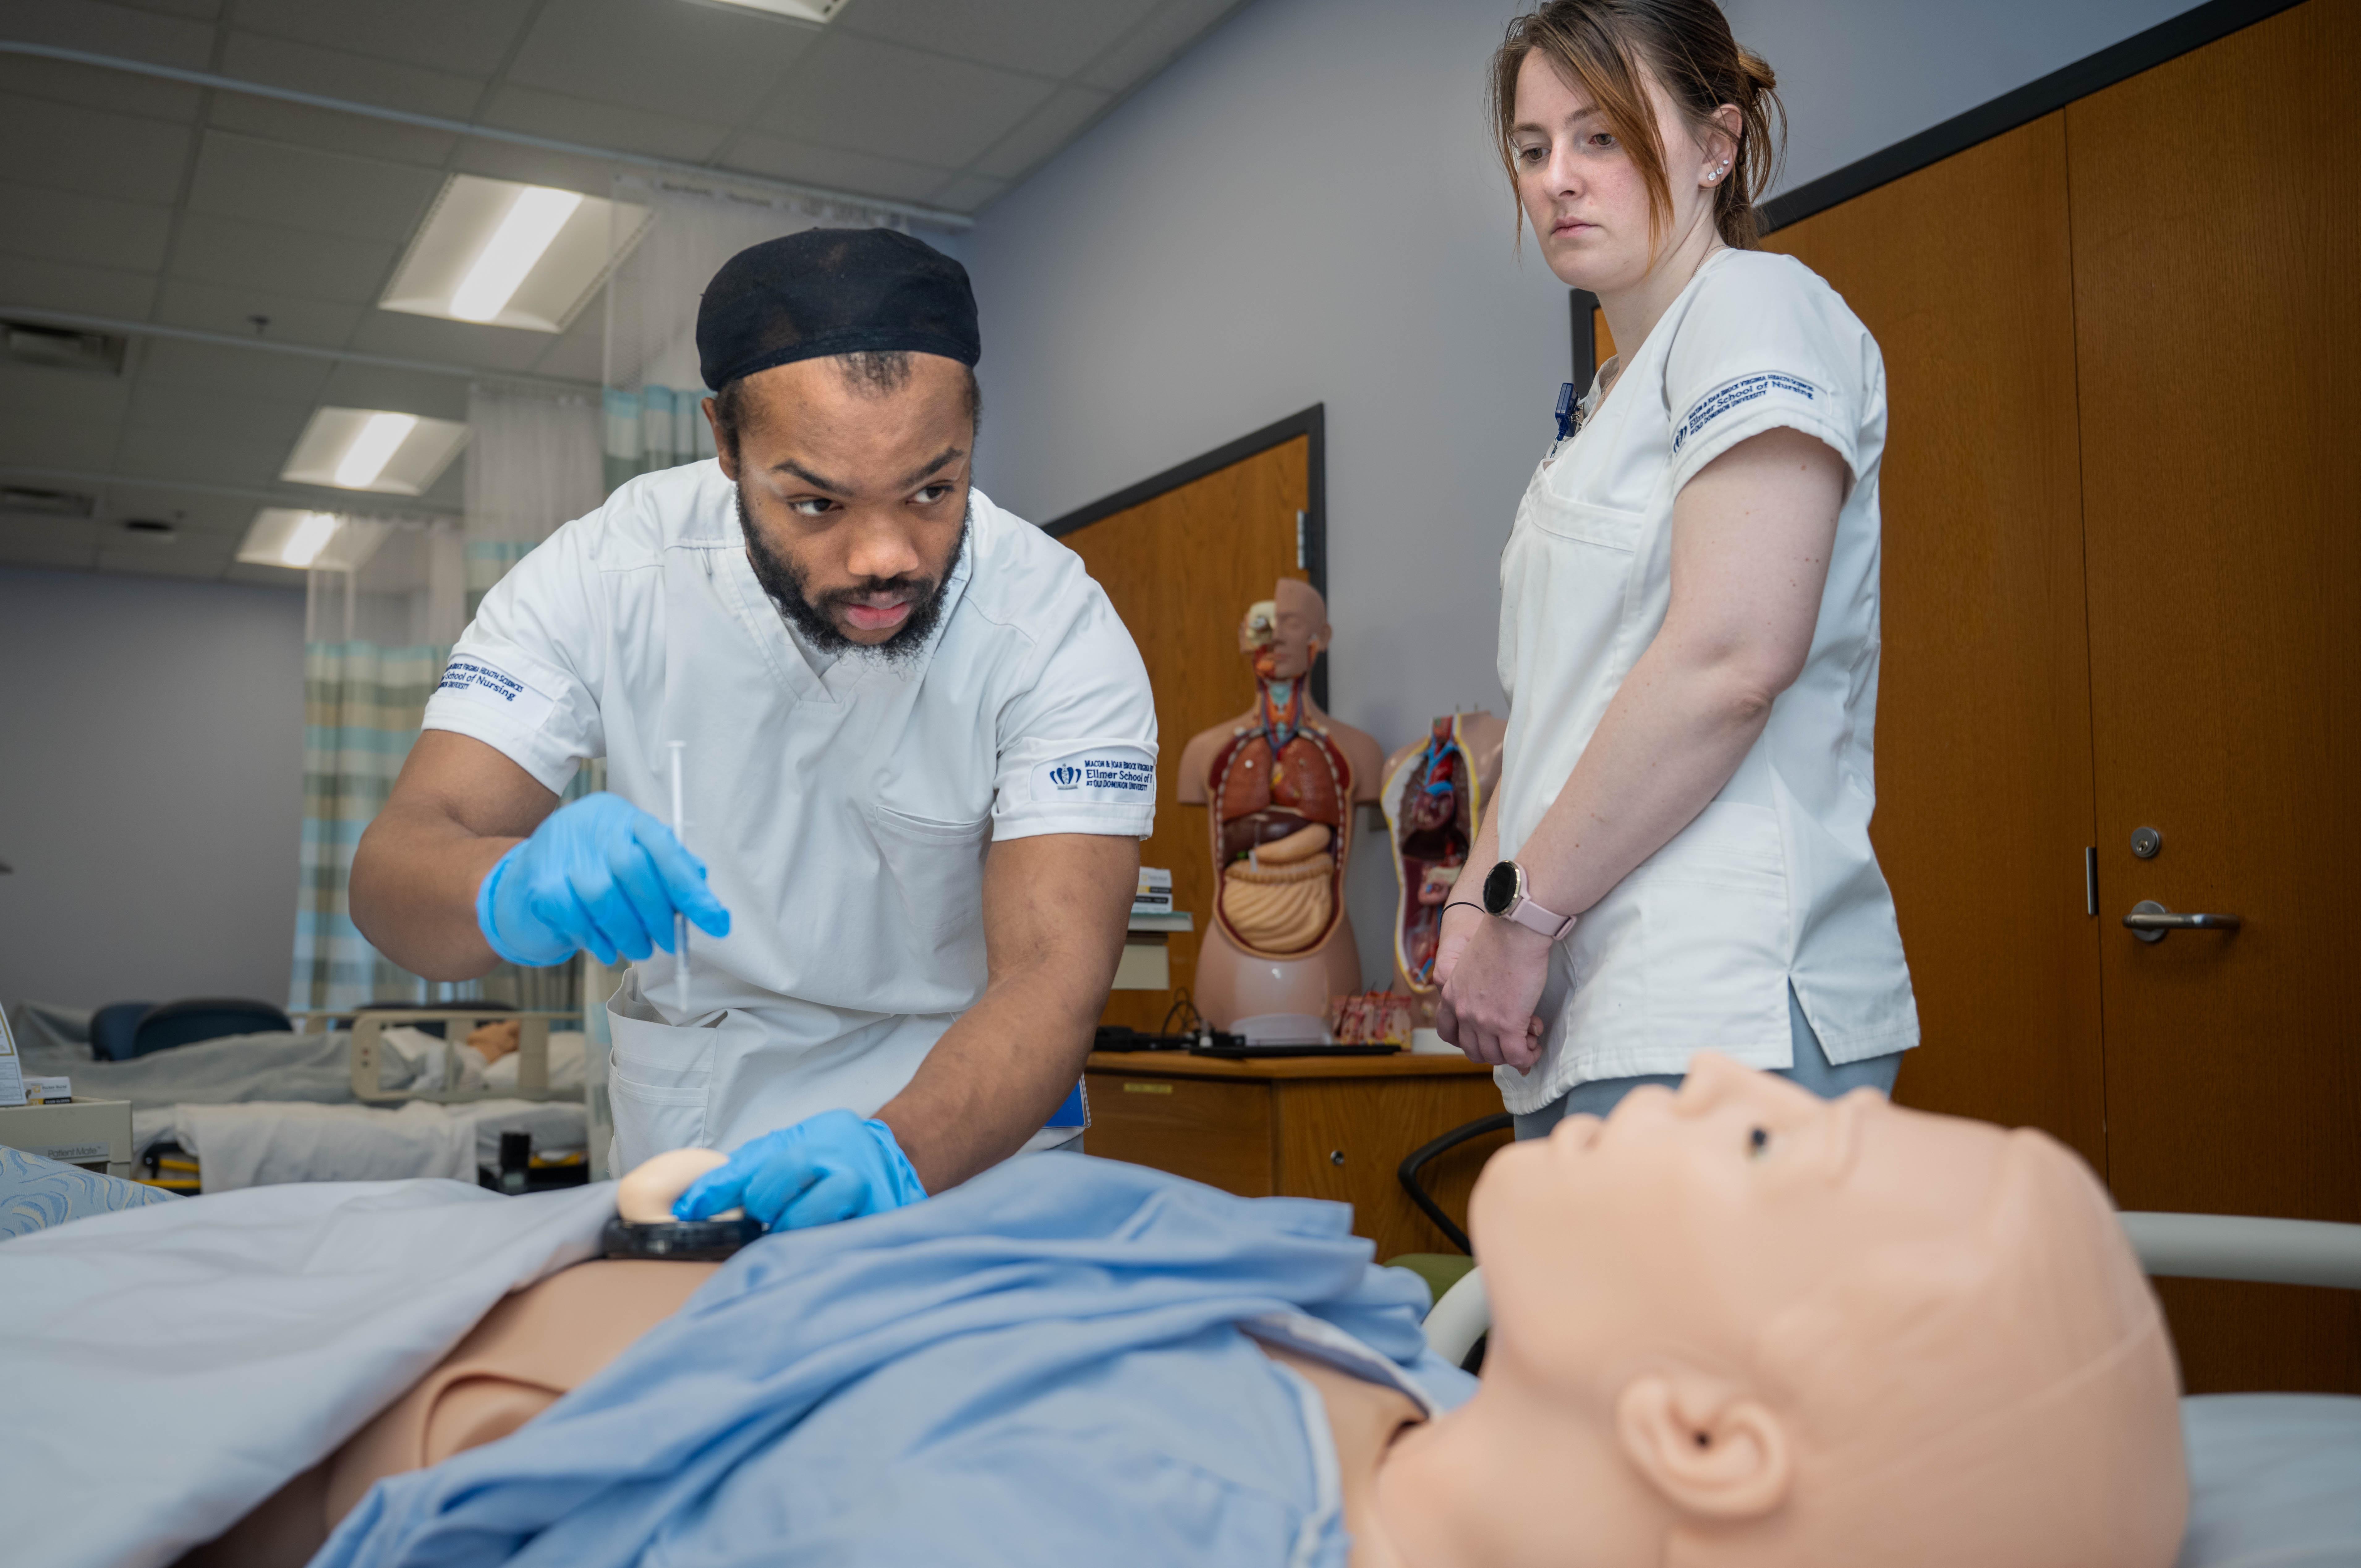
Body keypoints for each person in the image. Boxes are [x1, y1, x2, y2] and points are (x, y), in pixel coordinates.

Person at [171, 1059, 2184, 1567]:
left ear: (1707, 1437)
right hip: (455, 1267)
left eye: (1774, 1149)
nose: (1736, 1064)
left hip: (245, 1402)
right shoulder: (1404, 1377)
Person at [348, 228, 1158, 1228]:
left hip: (970, 1154)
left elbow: (1052, 978)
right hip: (700, 1143)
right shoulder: (605, 579)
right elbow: (394, 872)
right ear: (725, 446)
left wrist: (894, 1155)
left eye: (931, 491)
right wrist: (504, 886)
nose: (884, 554)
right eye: (816, 501)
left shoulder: (1054, 625)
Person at [1436, 0, 1919, 1137]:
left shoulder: (1757, 309)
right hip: (1595, 1013)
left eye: (1601, 135)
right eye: (1533, 146)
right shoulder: (1602, 406)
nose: (1559, 177)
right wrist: (1471, 905)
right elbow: (1557, 716)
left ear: (1717, 146)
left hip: (1723, 1009)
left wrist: (1518, 920)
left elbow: (1731, 660)